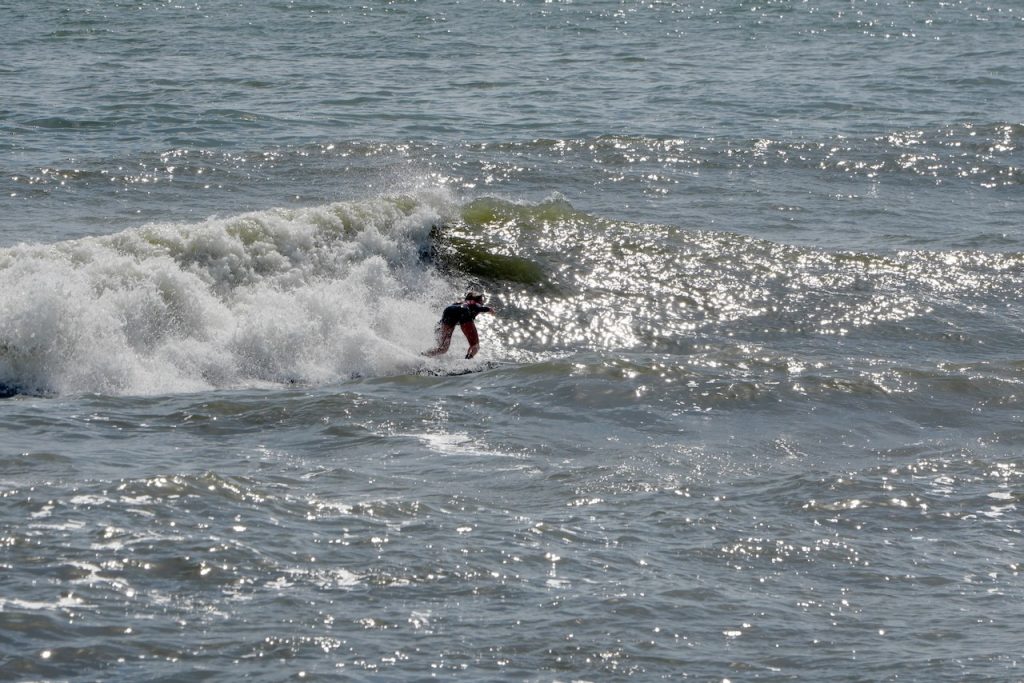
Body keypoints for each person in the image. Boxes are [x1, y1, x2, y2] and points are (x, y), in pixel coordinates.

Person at [424, 291, 495, 359]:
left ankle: (424, 355)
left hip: (449, 310)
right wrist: (489, 309)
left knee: (443, 349)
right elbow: (477, 307)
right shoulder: (474, 303)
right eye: (481, 301)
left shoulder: (460, 303)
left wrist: (439, 329)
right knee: (475, 345)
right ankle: (467, 361)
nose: (482, 303)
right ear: (478, 301)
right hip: (464, 312)